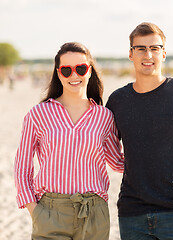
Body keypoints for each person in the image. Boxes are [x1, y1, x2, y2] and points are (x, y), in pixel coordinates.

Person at [106, 22, 173, 240]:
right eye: (141, 48)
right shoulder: (117, 100)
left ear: (163, 53)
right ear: (131, 54)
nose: (148, 54)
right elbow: (98, 145)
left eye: (155, 48)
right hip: (131, 213)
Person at [14, 42, 125, 240]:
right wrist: (34, 210)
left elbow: (117, 163)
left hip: (94, 213)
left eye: (81, 68)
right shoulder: (39, 114)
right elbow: (22, 166)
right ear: (58, 74)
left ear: (89, 71)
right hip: (49, 212)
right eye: (67, 70)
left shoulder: (104, 117)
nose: (74, 75)